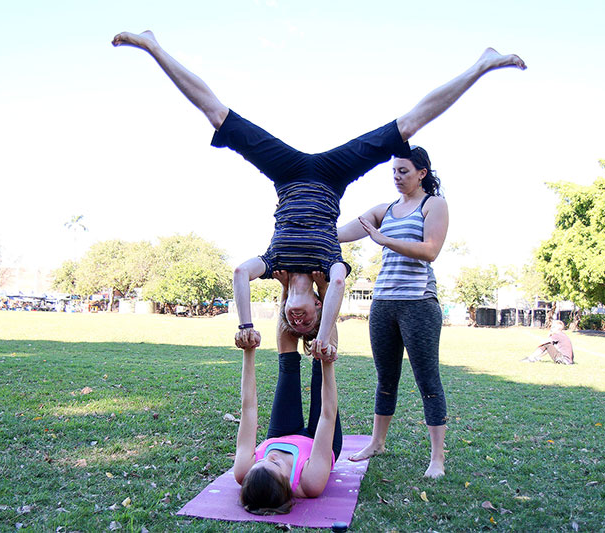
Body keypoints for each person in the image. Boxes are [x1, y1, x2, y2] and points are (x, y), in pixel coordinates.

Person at [112, 30, 527, 358]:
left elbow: (239, 274)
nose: (300, 317)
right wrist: (326, 335)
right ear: (317, 306)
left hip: (288, 174)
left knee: (219, 116)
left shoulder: (272, 264)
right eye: (309, 320)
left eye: (301, 324)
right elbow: (341, 286)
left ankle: (152, 46)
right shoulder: (328, 271)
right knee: (408, 126)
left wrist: (244, 326)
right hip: (331, 176)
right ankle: (482, 65)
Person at [338, 145, 449, 478]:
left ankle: (437, 459)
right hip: (383, 304)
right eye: (394, 172)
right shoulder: (385, 209)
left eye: (404, 171)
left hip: (419, 304)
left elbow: (430, 251)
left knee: (427, 380)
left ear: (422, 174)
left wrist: (384, 240)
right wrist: (313, 229)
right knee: (385, 379)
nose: (398, 178)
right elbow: (342, 232)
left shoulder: (434, 205)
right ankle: (377, 442)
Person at [231, 311, 342, 514]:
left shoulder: (243, 471)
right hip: (318, 443)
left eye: (260, 461)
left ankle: (287, 293)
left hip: (280, 436)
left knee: (287, 366)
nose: (267, 456)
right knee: (321, 354)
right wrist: (327, 362)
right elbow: (327, 415)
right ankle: (328, 298)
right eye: (274, 463)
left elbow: (248, 408)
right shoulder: (310, 482)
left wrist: (248, 351)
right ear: (287, 483)